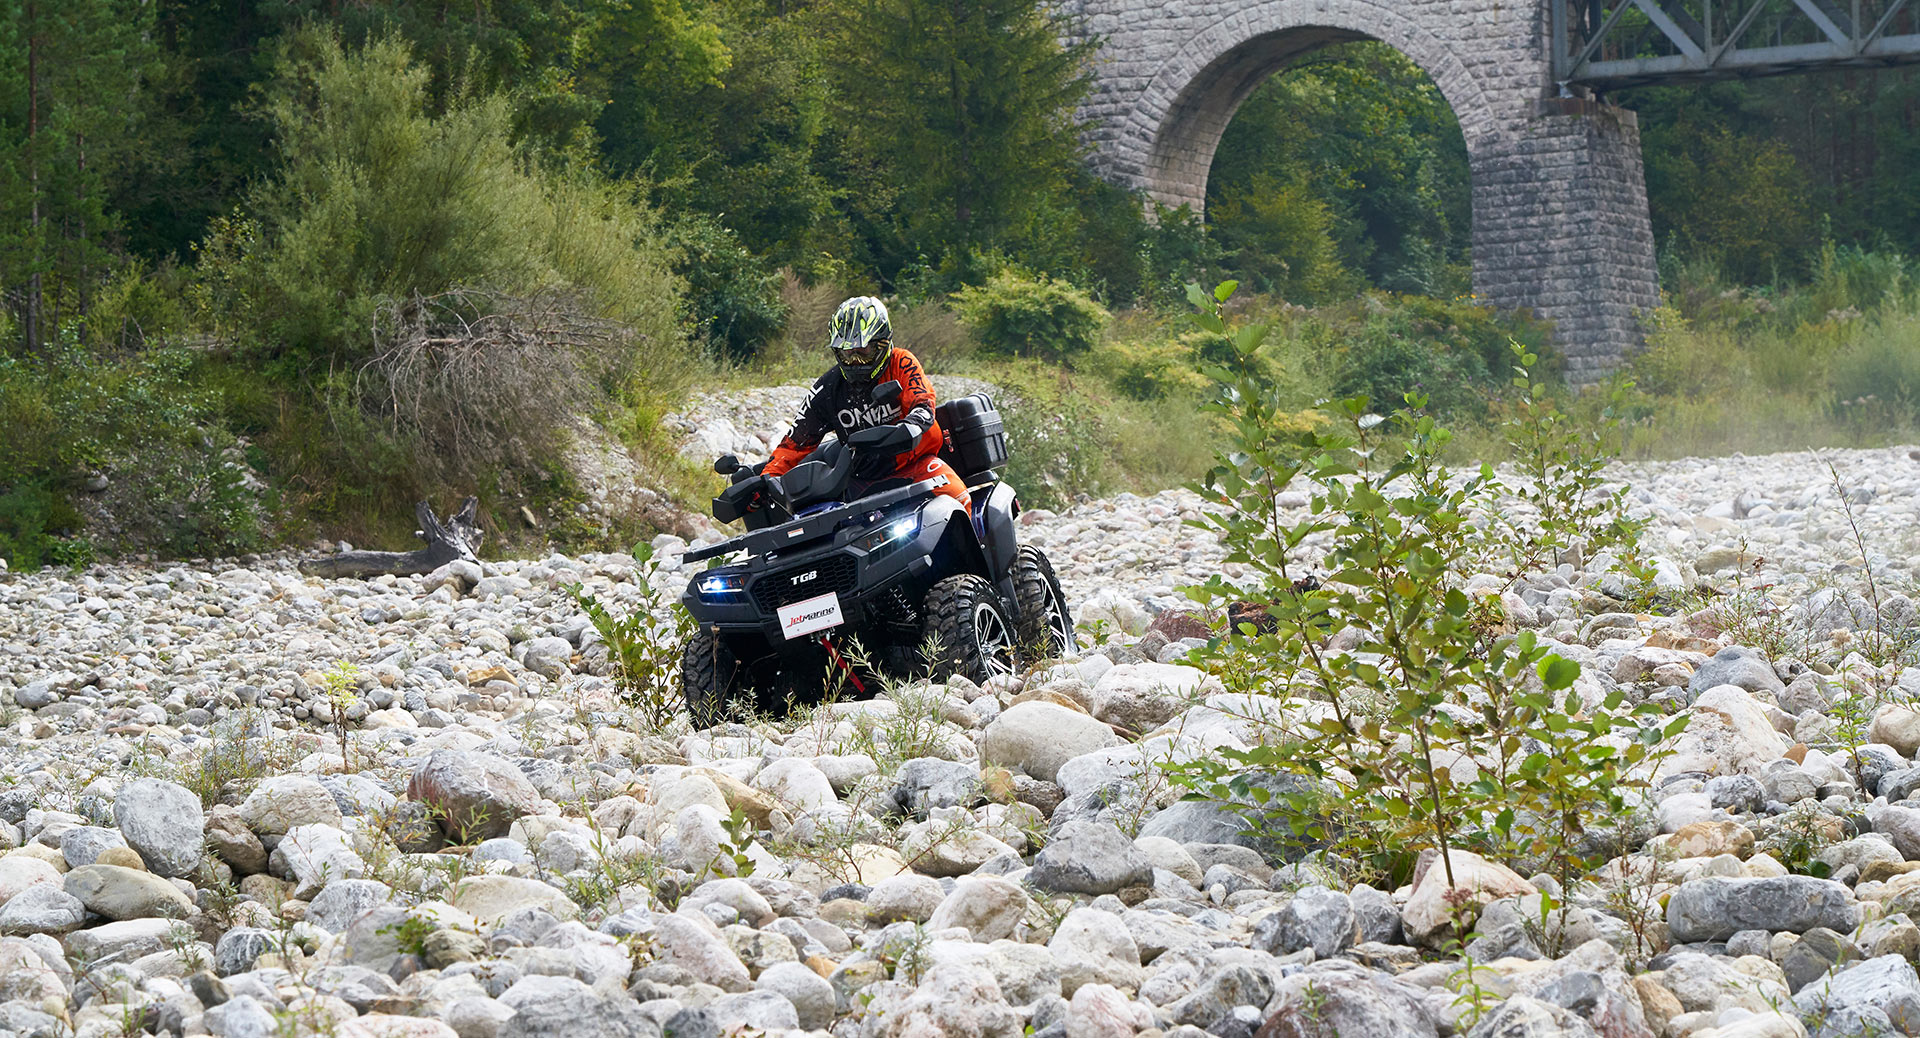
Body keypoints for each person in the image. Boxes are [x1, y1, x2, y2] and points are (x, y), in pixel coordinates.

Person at [763, 296, 972, 508]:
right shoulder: (827, 388)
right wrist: (769, 477)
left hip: (916, 464)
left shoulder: (901, 362)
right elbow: (795, 443)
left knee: (958, 499)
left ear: (882, 343)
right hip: (862, 480)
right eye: (847, 353)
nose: (855, 361)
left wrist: (912, 424)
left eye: (864, 351)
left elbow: (923, 401)